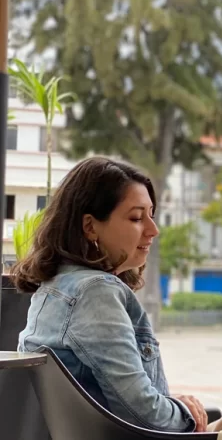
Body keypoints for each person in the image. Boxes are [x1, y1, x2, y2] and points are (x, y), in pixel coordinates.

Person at [15, 157, 206, 433]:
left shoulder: (55, 287)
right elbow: (144, 414)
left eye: (151, 215)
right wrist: (186, 412)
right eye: (136, 218)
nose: (153, 230)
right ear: (90, 226)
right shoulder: (94, 293)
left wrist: (174, 406)